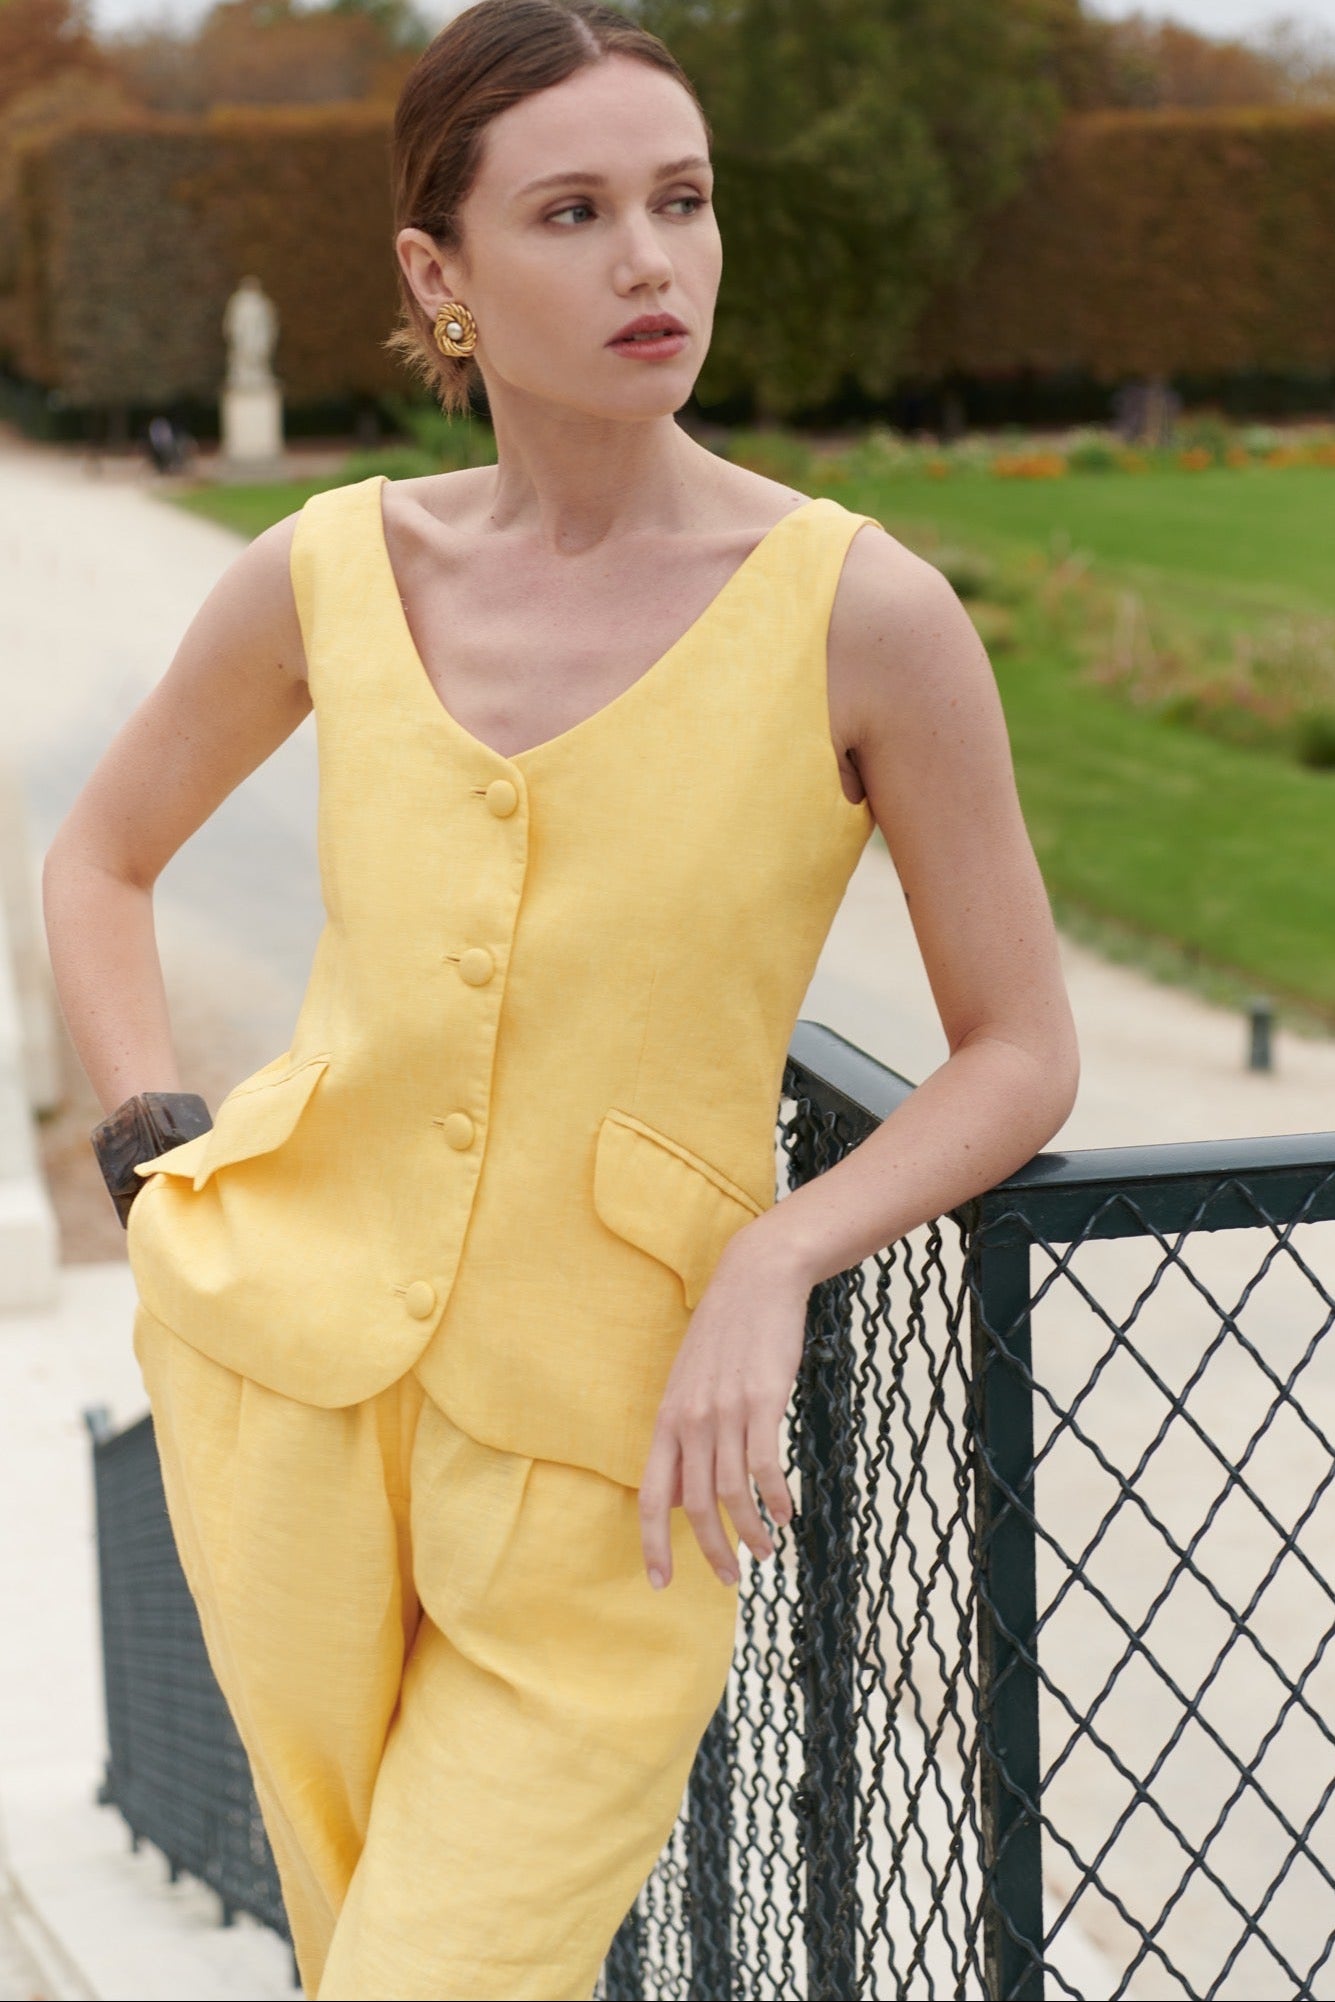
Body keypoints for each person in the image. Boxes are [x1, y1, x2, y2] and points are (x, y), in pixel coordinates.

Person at [41, 2, 1080, 1995]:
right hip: (285, 1399)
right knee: (351, 1953)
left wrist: (780, 1248)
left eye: (681, 200)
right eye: (575, 212)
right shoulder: (335, 570)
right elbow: (96, 854)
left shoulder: (863, 615)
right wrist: (156, 1141)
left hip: (621, 1469)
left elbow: (1022, 1046)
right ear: (439, 273)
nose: (649, 261)